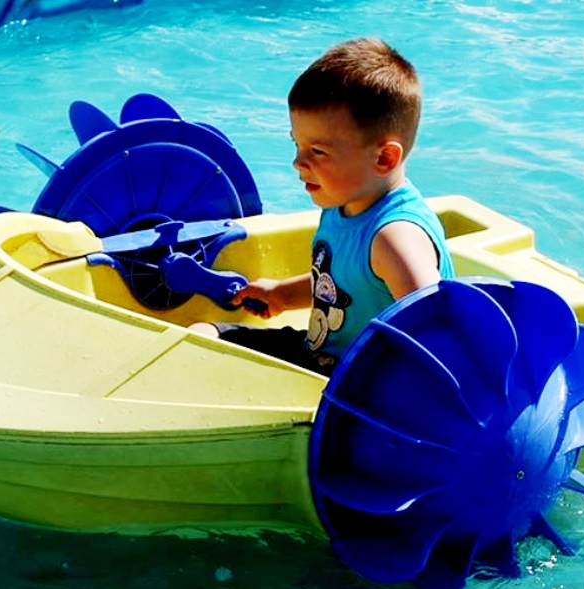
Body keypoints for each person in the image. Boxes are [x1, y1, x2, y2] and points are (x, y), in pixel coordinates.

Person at [190, 37, 456, 375]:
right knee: (203, 336)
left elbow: (436, 332)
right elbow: (345, 282)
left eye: (317, 151)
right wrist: (283, 294)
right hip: (322, 353)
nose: (298, 162)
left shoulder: (395, 238)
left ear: (384, 158)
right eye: (297, 144)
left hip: (357, 385)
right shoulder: (345, 201)